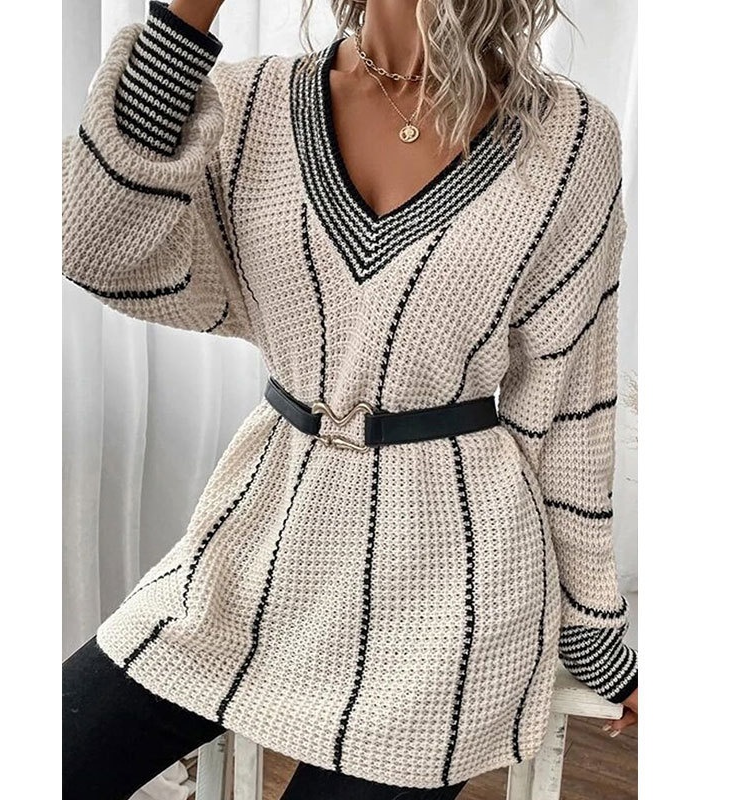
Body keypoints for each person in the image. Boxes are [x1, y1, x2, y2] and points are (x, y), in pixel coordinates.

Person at [61, 0, 639, 798]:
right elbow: (96, 244)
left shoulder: (570, 140)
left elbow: (571, 408)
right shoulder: (252, 104)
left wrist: (593, 631)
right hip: (256, 541)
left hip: (451, 594)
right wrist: (184, 19)